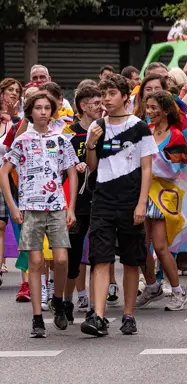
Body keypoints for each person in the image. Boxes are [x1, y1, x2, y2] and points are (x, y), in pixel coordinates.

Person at [80, 74, 159, 338]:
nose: (106, 99)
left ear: (125, 96)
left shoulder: (139, 127)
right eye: (103, 94)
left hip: (130, 200)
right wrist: (91, 143)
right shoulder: (97, 126)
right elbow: (92, 166)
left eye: (111, 93)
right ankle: (99, 316)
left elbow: (147, 169)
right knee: (100, 258)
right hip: (102, 200)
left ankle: (128, 315)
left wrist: (141, 204)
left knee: (130, 259)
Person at [0, 91, 80, 337]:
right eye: (38, 108)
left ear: (53, 110)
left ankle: (57, 300)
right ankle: (37, 317)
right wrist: (13, 206)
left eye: (47, 108)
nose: (43, 112)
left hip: (57, 207)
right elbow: (4, 172)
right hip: (30, 209)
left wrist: (71, 207)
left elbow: (73, 173)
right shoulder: (22, 140)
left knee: (62, 260)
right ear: (30, 112)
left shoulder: (62, 139)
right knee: (35, 263)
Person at [135, 91, 187, 312]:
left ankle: (179, 292)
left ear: (165, 110)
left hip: (164, 197)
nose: (149, 112)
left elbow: (178, 168)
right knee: (140, 246)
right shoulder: (144, 132)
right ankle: (152, 286)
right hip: (142, 194)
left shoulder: (177, 136)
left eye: (154, 108)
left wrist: (152, 161)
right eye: (147, 107)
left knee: (161, 247)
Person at [60, 84, 102, 322]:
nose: (101, 106)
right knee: (72, 257)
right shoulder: (69, 132)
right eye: (96, 103)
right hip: (76, 203)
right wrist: (72, 167)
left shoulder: (105, 130)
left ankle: (95, 309)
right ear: (83, 106)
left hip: (102, 200)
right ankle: (66, 302)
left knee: (99, 258)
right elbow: (57, 166)